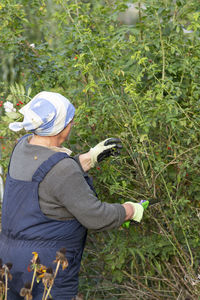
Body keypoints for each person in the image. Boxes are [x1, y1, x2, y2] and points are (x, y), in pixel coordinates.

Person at [0, 91, 144, 300]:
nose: (72, 125)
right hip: (45, 269)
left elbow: (44, 182)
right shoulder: (63, 169)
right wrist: (131, 210)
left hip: (10, 265)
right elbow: (96, 216)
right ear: (61, 129)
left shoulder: (22, 146)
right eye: (70, 121)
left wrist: (89, 158)